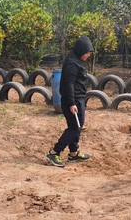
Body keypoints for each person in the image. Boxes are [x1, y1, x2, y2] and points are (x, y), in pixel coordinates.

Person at [46, 36, 94, 167]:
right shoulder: (72, 64)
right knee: (74, 128)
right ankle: (54, 152)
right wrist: (72, 103)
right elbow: (69, 84)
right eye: (87, 52)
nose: (88, 55)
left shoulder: (76, 60)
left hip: (78, 99)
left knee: (76, 126)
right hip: (72, 101)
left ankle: (73, 153)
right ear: (80, 50)